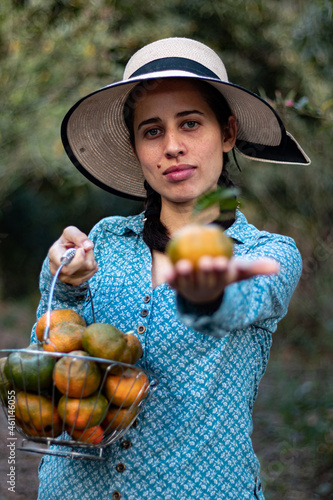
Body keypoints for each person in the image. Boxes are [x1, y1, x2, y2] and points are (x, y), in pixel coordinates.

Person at [31, 37, 310, 500]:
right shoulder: (102, 243)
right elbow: (44, 369)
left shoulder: (268, 254)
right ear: (137, 147)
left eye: (190, 124)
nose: (173, 146)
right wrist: (63, 286)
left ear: (226, 133)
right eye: (152, 131)